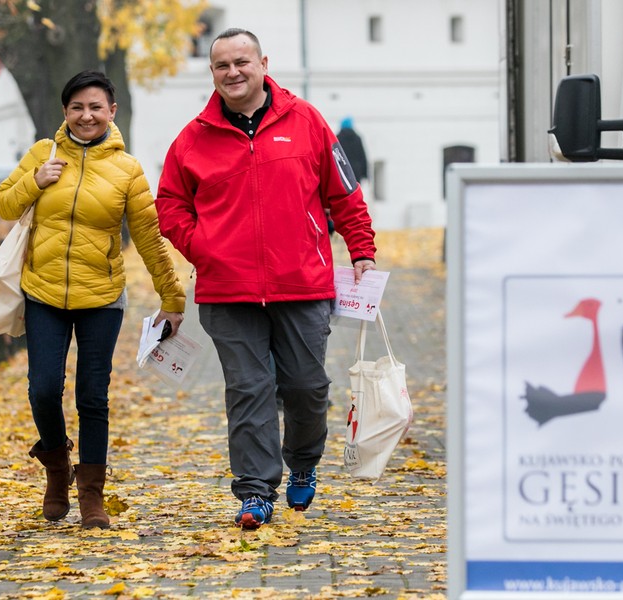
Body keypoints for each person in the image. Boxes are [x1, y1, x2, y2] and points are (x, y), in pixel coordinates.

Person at [155, 29, 377, 530]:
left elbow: (344, 192)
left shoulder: (306, 122)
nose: (233, 72)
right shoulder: (193, 138)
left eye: (242, 62)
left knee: (306, 386)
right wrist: (204, 247)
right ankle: (255, 491)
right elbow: (168, 204)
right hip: (227, 291)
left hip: (302, 284)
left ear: (262, 64)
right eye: (221, 66)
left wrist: (361, 250)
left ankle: (302, 462)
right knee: (249, 388)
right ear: (212, 74)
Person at [0, 70, 186, 529]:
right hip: (43, 292)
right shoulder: (44, 153)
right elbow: (4, 204)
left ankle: (91, 496)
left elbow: (149, 238)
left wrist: (172, 297)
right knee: (42, 389)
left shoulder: (127, 170)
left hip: (102, 296)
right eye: (77, 107)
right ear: (65, 112)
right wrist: (35, 182)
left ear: (111, 112)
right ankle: (57, 471)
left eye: (95, 107)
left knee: (92, 397)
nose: (86, 115)